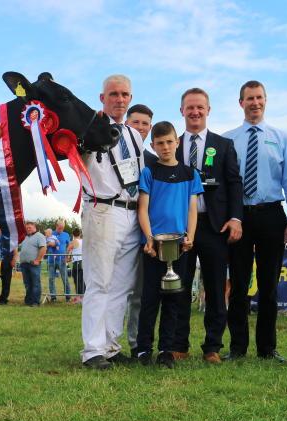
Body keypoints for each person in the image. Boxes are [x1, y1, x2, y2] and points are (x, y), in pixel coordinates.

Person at [223, 81, 287, 362]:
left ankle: (267, 348)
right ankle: (237, 348)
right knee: (238, 285)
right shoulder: (228, 140)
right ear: (240, 102)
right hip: (239, 216)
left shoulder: (281, 138)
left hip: (271, 215)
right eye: (249, 98)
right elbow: (225, 183)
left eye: (259, 98)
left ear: (265, 100)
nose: (254, 103)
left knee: (269, 286)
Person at [173, 88, 243, 364]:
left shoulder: (223, 145)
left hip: (215, 227)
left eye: (200, 107)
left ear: (208, 110)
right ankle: (179, 344)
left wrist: (235, 218)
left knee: (215, 288)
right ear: (182, 111)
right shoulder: (172, 145)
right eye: (190, 107)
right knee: (180, 287)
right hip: (181, 227)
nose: (195, 112)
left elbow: (234, 184)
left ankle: (212, 346)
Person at [79, 74, 144, 369]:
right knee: (99, 281)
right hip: (103, 208)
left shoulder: (134, 135)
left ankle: (110, 345)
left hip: (131, 210)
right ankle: (92, 350)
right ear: (102, 98)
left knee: (122, 285)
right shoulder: (90, 128)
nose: (120, 99)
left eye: (125, 94)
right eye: (114, 94)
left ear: (130, 98)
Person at [136, 121, 203, 368]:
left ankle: (166, 349)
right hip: (153, 247)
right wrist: (149, 238)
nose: (165, 147)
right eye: (160, 143)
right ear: (153, 146)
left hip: (180, 246)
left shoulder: (190, 174)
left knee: (173, 299)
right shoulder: (149, 172)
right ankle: (144, 349)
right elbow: (142, 209)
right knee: (150, 299)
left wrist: (190, 237)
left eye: (169, 142)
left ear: (177, 142)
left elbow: (192, 210)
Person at [123, 103, 157, 355]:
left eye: (145, 123)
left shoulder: (155, 161)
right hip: (119, 223)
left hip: (146, 230)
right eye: (136, 122)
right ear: (126, 123)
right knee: (117, 288)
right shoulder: (113, 153)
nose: (141, 127)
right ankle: (108, 344)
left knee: (140, 291)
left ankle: (136, 343)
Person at [14, 221, 46, 306]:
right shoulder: (25, 237)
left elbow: (43, 248)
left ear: (34, 227)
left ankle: (35, 301)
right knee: (27, 283)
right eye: (27, 228)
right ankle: (28, 300)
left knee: (35, 283)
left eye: (30, 227)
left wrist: (38, 260)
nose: (28, 229)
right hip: (24, 264)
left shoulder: (40, 236)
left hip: (34, 264)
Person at [47, 220, 71, 302]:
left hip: (62, 260)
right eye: (60, 228)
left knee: (65, 278)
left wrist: (68, 256)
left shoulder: (66, 234)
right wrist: (49, 244)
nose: (61, 230)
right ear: (56, 226)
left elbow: (70, 246)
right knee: (51, 279)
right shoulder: (50, 233)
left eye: (63, 228)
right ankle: (53, 297)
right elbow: (45, 243)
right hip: (51, 260)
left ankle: (68, 296)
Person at [67, 228, 84, 302]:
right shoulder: (83, 241)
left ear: (73, 234)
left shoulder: (74, 241)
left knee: (77, 280)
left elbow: (68, 249)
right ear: (80, 234)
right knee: (82, 280)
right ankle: (82, 296)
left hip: (77, 262)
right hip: (83, 261)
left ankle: (79, 297)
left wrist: (68, 257)